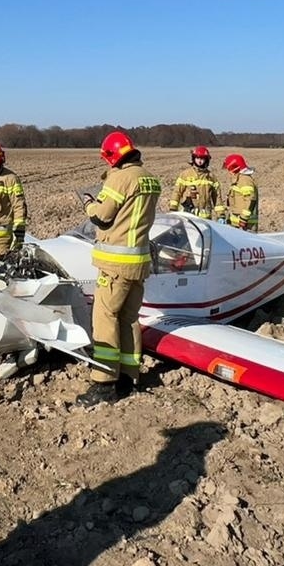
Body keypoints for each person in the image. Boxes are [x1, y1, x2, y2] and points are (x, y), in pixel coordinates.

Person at [77, 130, 162, 407]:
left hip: (116, 265)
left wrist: (89, 204)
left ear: (112, 156)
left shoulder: (120, 177)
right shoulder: (149, 178)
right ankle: (129, 376)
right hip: (139, 263)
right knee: (128, 318)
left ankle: (103, 383)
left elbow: (103, 215)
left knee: (104, 320)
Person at [169, 145, 220, 218]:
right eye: (197, 158)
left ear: (206, 160)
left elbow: (217, 197)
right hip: (188, 215)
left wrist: (221, 215)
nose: (199, 161)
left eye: (202, 159)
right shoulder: (185, 174)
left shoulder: (211, 177)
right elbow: (177, 192)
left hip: (205, 218)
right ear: (193, 159)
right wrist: (173, 208)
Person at [221, 153, 259, 230]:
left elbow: (250, 200)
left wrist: (243, 219)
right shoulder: (238, 180)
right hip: (237, 223)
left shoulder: (245, 180)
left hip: (245, 225)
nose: (228, 172)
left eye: (228, 169)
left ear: (233, 167)